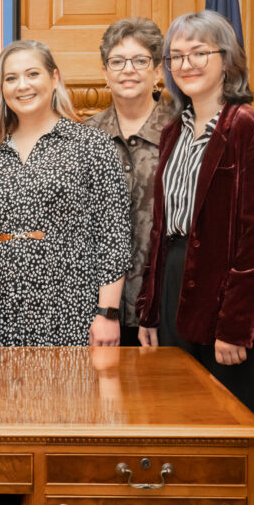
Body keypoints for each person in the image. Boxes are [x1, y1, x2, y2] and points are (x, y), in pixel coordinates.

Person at [137, 10, 254, 505]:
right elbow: (164, 231)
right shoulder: (175, 132)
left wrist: (237, 326)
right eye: (177, 56)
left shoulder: (253, 130)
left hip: (243, 308)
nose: (186, 64)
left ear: (226, 61)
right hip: (181, 291)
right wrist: (151, 311)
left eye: (199, 53)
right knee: (190, 441)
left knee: (248, 447)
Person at [0, 40, 130, 347]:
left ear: (54, 78)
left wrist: (107, 314)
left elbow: (112, 236)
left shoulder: (91, 145)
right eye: (11, 78)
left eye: (32, 74)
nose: (22, 86)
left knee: (69, 394)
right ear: (1, 88)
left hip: (70, 310)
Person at [85, 17, 175, 346]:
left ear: (157, 71)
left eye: (140, 60)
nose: (128, 70)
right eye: (117, 61)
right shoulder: (84, 136)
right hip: (95, 308)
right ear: (105, 72)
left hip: (165, 302)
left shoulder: (181, 132)